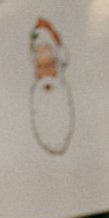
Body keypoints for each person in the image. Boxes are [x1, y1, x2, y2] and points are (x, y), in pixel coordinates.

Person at [29, 17, 74, 156]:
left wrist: (49, 28)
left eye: (49, 65)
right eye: (41, 67)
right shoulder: (37, 96)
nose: (46, 72)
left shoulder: (60, 91)